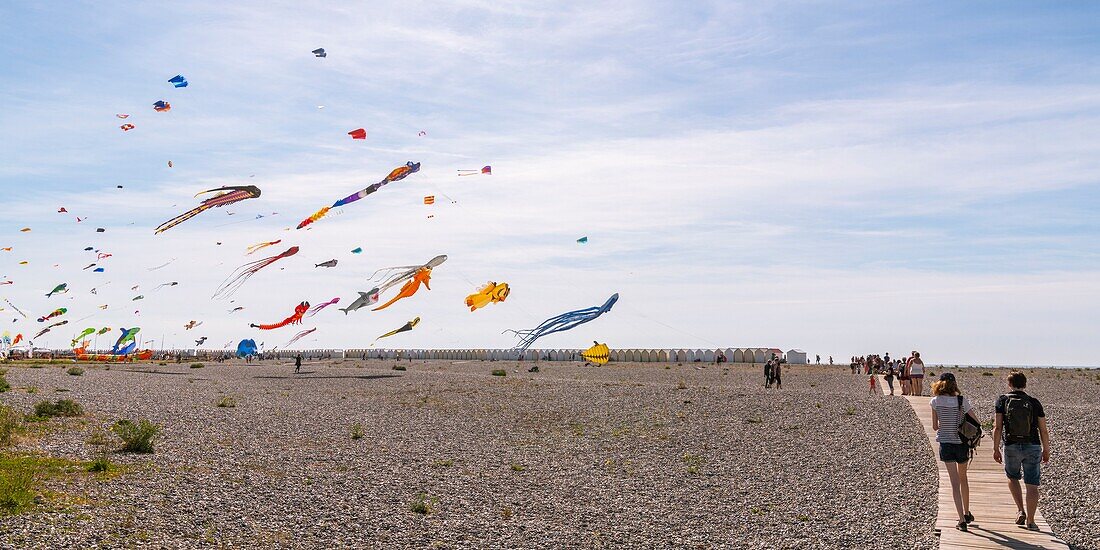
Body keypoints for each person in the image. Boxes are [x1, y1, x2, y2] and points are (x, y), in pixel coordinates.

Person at [992, 371, 1050, 531]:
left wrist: (996, 448)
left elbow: (997, 427)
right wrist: (1046, 449)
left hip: (1011, 445)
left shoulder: (1002, 401)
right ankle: (1031, 521)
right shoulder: (1034, 402)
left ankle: (1020, 510)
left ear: (1009, 384)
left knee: (1012, 477)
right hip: (1033, 445)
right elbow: (1043, 430)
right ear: (1024, 384)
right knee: (1032, 484)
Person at [929, 372, 978, 532]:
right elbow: (976, 421)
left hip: (946, 443)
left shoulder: (935, 401)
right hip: (961, 444)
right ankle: (967, 512)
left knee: (954, 483)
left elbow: (935, 426)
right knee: (964, 479)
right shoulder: (961, 400)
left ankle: (962, 520)